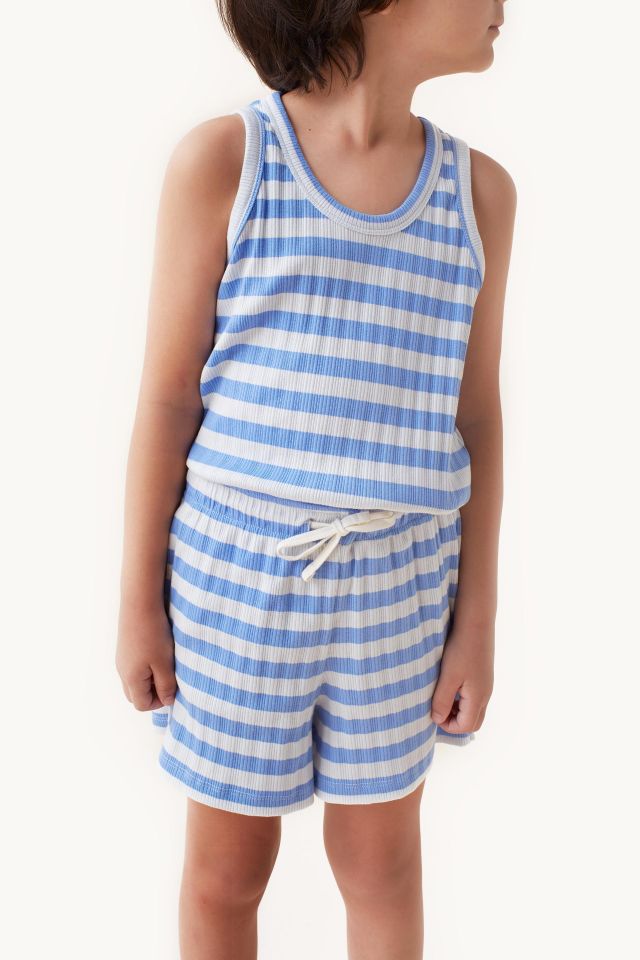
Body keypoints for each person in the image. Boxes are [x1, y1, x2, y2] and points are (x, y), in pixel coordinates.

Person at [116, 1, 516, 956]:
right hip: (237, 585)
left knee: (383, 868)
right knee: (225, 876)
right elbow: (168, 400)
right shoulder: (228, 162)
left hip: (401, 589)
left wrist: (477, 620)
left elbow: (475, 418)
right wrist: (137, 603)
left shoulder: (479, 194)